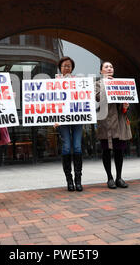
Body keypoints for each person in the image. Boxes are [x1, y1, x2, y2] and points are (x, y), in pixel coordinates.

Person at [96, 61, 132, 189]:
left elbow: (128, 98)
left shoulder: (121, 84)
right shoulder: (97, 84)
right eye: (106, 67)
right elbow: (97, 100)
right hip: (106, 122)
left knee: (119, 150)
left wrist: (126, 106)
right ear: (101, 71)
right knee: (106, 150)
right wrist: (106, 85)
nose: (109, 68)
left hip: (119, 122)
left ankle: (119, 177)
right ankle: (109, 178)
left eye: (111, 66)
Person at [54, 57, 84, 191]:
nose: (67, 68)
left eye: (69, 66)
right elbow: (50, 103)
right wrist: (53, 118)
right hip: (62, 120)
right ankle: (69, 180)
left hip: (77, 119)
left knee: (77, 147)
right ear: (60, 67)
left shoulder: (78, 81)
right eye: (65, 66)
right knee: (66, 147)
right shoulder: (54, 83)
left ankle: (78, 180)